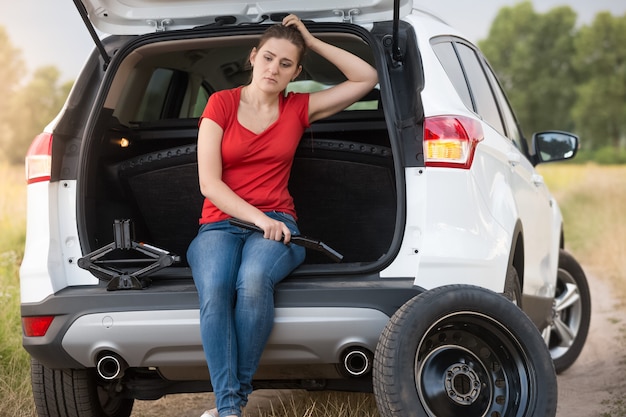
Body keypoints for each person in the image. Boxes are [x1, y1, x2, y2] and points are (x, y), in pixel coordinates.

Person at [186, 14, 378, 417]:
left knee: (253, 281)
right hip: (220, 223)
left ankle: (228, 407)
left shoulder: (298, 108)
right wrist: (258, 220)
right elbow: (210, 184)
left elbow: (366, 78)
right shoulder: (221, 104)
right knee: (216, 291)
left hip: (278, 224)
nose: (274, 68)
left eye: (286, 63)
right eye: (269, 58)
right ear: (253, 57)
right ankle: (230, 406)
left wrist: (311, 39)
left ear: (296, 72)